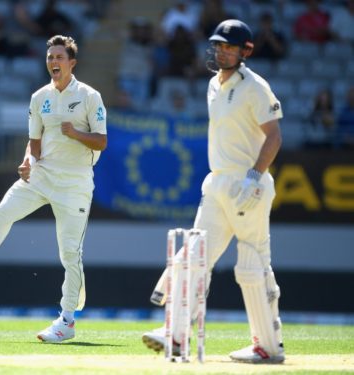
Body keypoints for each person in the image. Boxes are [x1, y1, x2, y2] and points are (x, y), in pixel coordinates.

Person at [0, 35, 107, 343]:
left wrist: (76, 133)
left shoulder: (90, 96)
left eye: (59, 57)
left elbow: (102, 141)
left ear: (72, 63)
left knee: (70, 253)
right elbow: (34, 143)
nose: (53, 61)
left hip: (76, 181)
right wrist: (27, 161)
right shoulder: (40, 97)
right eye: (50, 57)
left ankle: (66, 320)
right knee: (1, 214)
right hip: (41, 174)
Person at [142, 20, 285, 364]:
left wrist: (254, 176)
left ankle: (267, 346)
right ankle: (174, 334)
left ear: (245, 51)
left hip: (247, 185)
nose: (221, 51)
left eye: (229, 47)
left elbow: (274, 136)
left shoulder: (255, 86)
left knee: (252, 266)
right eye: (218, 45)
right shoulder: (212, 85)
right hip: (217, 183)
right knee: (193, 257)